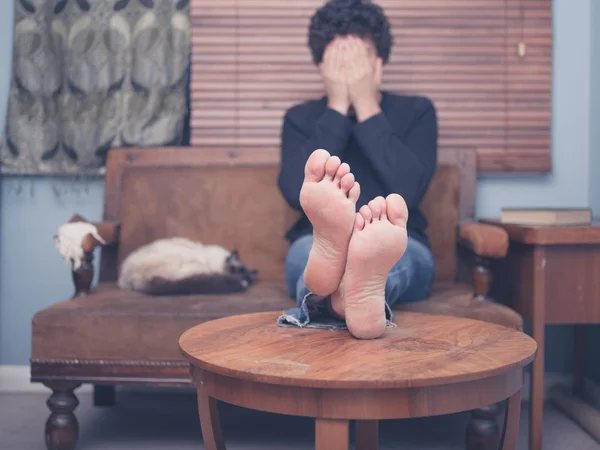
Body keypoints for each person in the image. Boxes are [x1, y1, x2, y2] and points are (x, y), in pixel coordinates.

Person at [276, 0, 438, 339]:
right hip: (313, 238)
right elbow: (294, 191)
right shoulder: (300, 119)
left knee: (399, 259)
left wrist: (366, 105)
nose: (349, 68)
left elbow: (410, 189)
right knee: (305, 256)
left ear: (378, 62)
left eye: (358, 57)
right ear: (322, 65)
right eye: (339, 59)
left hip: (403, 240)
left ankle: (346, 294)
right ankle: (354, 294)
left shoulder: (417, 112)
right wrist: (336, 107)